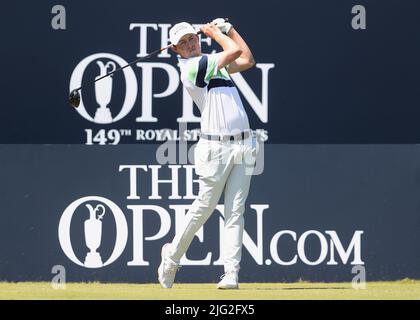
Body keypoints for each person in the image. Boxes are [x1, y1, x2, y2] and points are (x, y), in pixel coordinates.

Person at [158, 18, 257, 289]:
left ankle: (231, 273)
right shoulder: (191, 67)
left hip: (244, 144)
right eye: (183, 43)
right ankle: (171, 257)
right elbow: (233, 52)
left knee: (236, 210)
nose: (190, 44)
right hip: (215, 148)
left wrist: (231, 30)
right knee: (204, 208)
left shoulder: (217, 66)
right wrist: (217, 33)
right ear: (176, 50)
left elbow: (247, 59)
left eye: (192, 38)